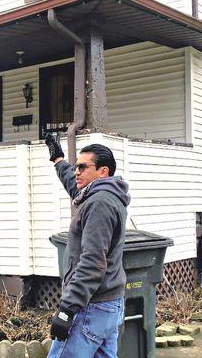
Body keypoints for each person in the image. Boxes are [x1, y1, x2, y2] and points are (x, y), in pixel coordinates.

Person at [45, 134, 131, 358]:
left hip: (91, 307)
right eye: (76, 167)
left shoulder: (100, 204)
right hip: (108, 305)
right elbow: (73, 185)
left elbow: (93, 263)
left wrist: (67, 309)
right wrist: (58, 159)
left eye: (83, 167)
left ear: (103, 171)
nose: (76, 172)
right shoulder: (104, 194)